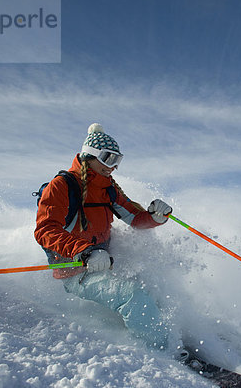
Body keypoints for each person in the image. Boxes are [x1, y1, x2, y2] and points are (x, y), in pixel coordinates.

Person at [34, 123, 173, 349]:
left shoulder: (108, 188)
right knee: (134, 297)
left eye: (118, 160)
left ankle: (169, 332)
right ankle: (162, 351)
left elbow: (135, 218)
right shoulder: (61, 186)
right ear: (90, 155)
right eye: (109, 159)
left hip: (104, 261)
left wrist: (156, 217)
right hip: (76, 269)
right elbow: (45, 230)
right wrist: (84, 252)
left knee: (154, 289)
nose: (114, 167)